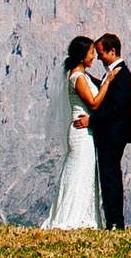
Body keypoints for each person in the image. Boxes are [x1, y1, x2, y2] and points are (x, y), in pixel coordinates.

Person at [40, 34, 105, 230]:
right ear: (82, 55)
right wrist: (109, 81)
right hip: (81, 132)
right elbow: (93, 103)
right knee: (79, 170)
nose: (93, 57)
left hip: (86, 132)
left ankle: (83, 214)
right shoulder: (77, 77)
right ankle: (70, 216)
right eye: (91, 53)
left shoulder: (82, 76)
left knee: (85, 171)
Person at [88, 32, 131, 230]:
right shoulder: (113, 72)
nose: (98, 58)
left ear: (112, 51)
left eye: (101, 54)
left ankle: (115, 221)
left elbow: (116, 108)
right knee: (108, 176)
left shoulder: (122, 74)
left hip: (113, 134)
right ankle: (113, 220)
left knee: (111, 177)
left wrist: (91, 120)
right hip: (110, 133)